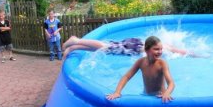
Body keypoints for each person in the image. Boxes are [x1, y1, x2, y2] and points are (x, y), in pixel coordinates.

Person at [106, 36, 174, 103]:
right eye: (156, 49)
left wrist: (167, 93)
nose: (160, 52)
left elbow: (171, 83)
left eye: (161, 49)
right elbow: (126, 77)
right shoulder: (141, 62)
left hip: (160, 97)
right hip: (145, 95)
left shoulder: (162, 64)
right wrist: (117, 92)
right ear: (146, 50)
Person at [62, 35, 198, 60]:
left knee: (106, 49)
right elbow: (180, 51)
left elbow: (180, 51)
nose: (160, 52)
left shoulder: (162, 45)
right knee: (106, 47)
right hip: (133, 47)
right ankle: (76, 40)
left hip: (133, 44)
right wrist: (195, 54)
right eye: (157, 50)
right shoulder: (165, 48)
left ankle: (74, 47)